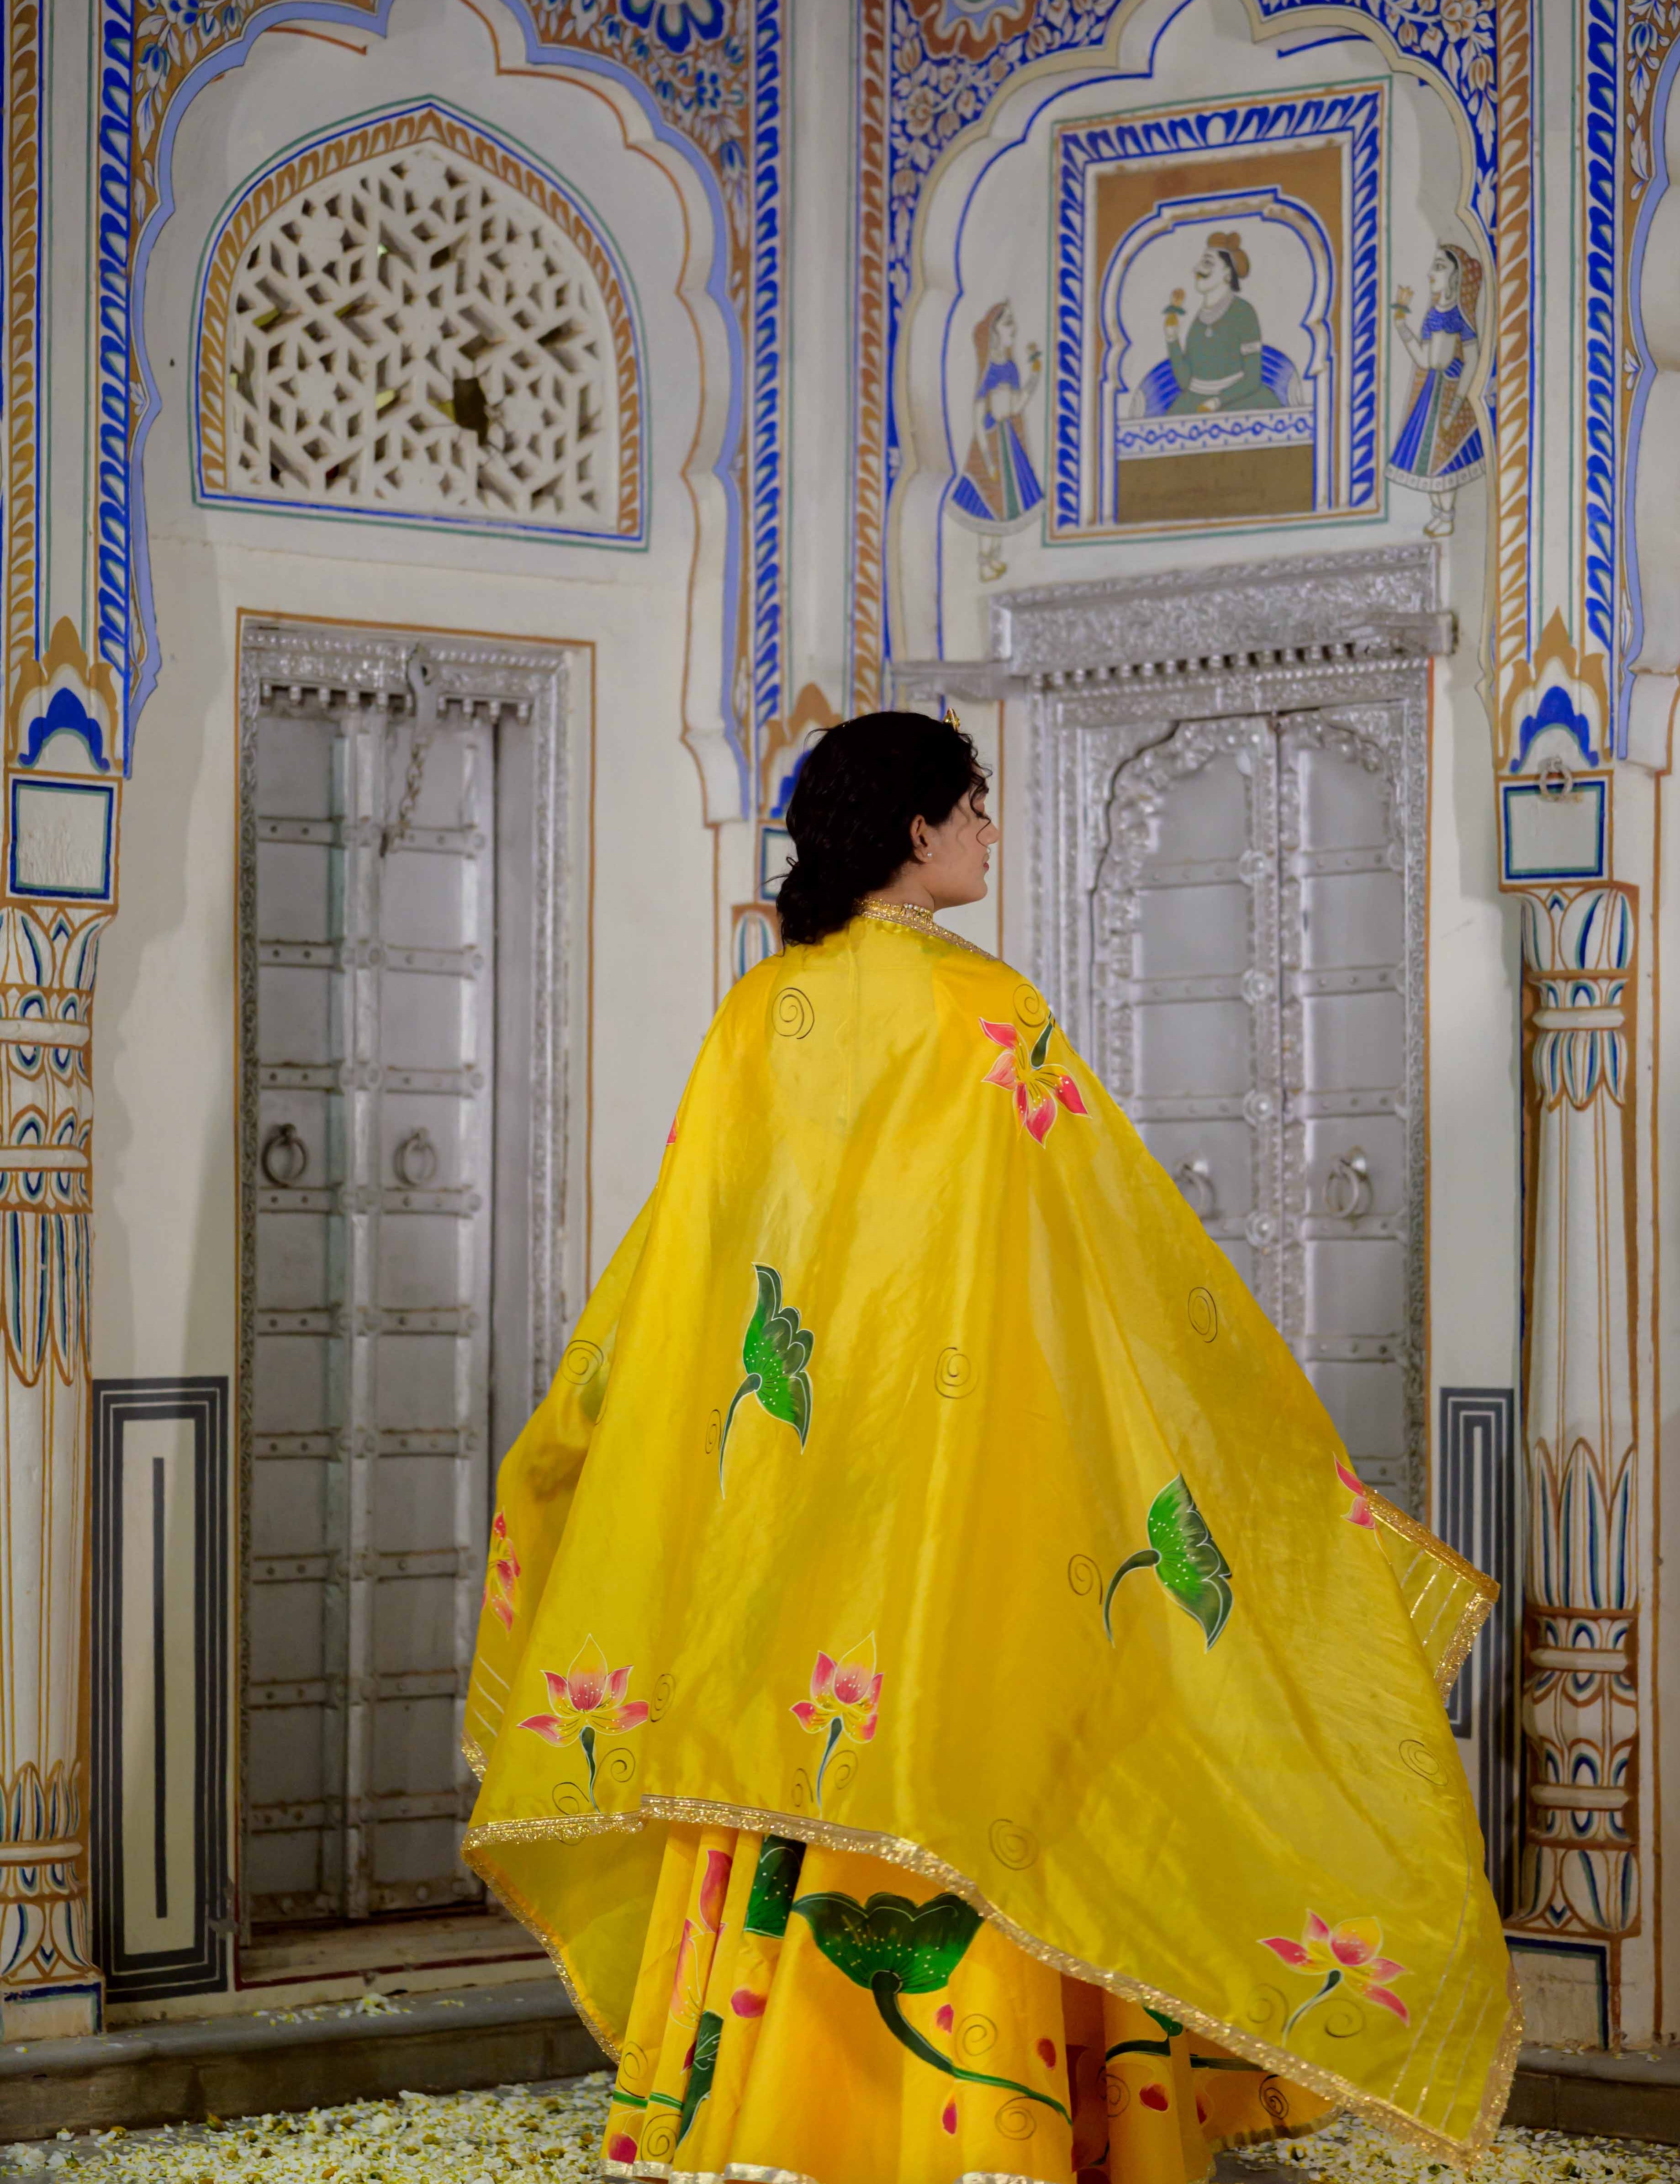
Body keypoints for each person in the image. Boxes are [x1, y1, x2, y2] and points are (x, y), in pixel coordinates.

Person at [462, 712, 1517, 2184]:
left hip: (797, 1487)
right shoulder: (978, 1011)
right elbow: (1109, 1261)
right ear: (915, 830)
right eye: (972, 808)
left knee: (807, 1743)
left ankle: (776, 2110)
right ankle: (1000, 2127)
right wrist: (1242, 1448)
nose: (988, 834)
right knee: (984, 1758)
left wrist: (588, 1420)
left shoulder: (760, 1014)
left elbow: (687, 1257)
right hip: (963, 1481)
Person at [1388, 244, 1485, 537]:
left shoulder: (1461, 315)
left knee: (1445, 460)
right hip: (1431, 393)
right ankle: (1439, 515)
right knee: (1426, 461)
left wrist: (1457, 404)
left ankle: (1447, 515)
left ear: (1456, 277)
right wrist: (1402, 326)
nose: (1431, 273)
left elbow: (1472, 362)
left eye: (1440, 267)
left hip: (1453, 392)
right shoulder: (1432, 315)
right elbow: (1424, 360)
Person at [1164, 235, 1278, 415]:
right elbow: (1185, 383)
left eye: (1208, 263)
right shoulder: (1198, 321)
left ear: (1228, 272)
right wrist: (1172, 338)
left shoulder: (1244, 313)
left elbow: (1252, 379)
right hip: (1195, 401)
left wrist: (1218, 402)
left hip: (1238, 400)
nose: (1197, 269)